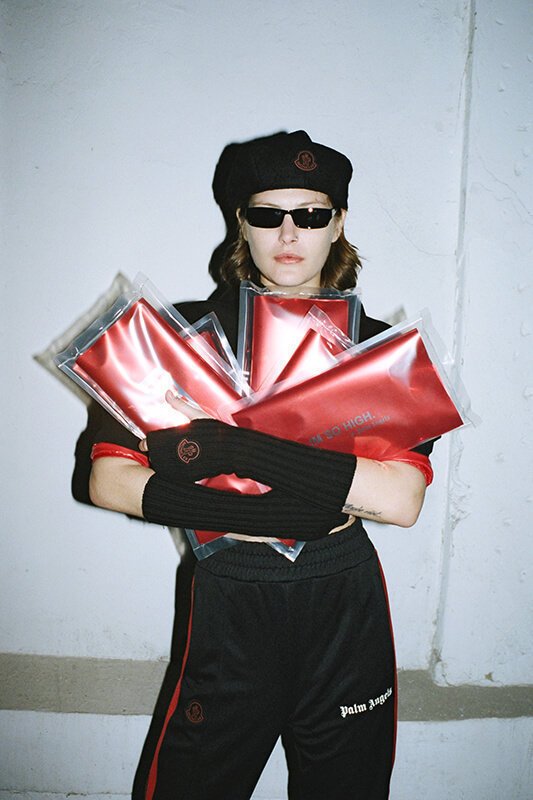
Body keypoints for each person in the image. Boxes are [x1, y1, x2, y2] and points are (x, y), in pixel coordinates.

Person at [72, 130, 435, 800]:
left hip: (342, 599)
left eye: (311, 214)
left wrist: (236, 448)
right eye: (268, 214)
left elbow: (400, 499)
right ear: (240, 221)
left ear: (338, 223)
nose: (289, 234)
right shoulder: (175, 340)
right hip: (231, 591)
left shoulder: (382, 351)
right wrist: (274, 514)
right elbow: (109, 480)